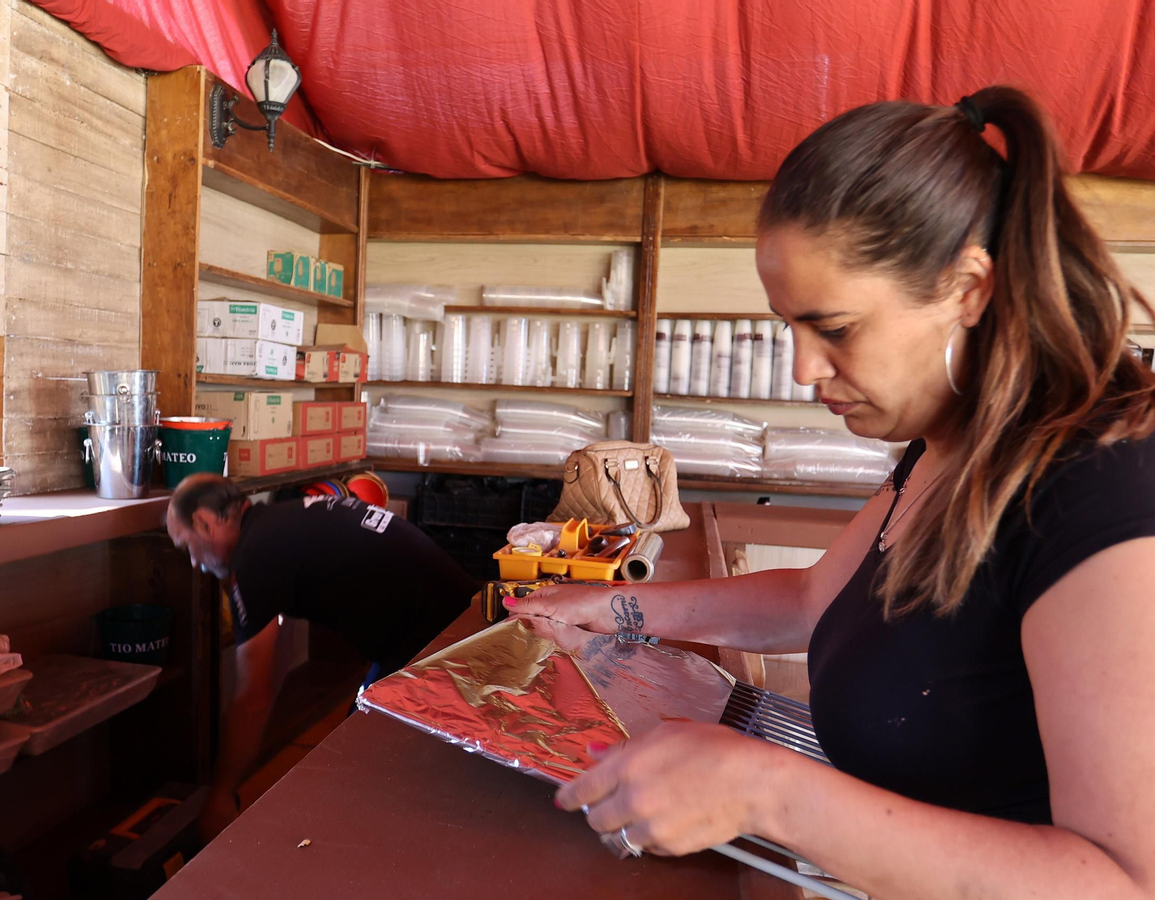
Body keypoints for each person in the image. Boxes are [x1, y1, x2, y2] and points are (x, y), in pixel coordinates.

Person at [512, 86, 1155, 899]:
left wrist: (771, 793)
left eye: (836, 329)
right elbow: (819, 596)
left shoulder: (1102, 494)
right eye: (790, 327)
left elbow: (1124, 882)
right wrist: (613, 611)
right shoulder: (950, 444)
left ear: (970, 290)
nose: (803, 369)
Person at [165, 473, 478, 840]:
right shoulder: (279, 526)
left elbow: (253, 697)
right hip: (449, 626)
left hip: (441, 644)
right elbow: (272, 672)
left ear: (204, 522)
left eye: (187, 546)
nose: (194, 564)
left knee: (353, 773)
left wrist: (218, 797)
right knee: (348, 757)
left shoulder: (254, 557)